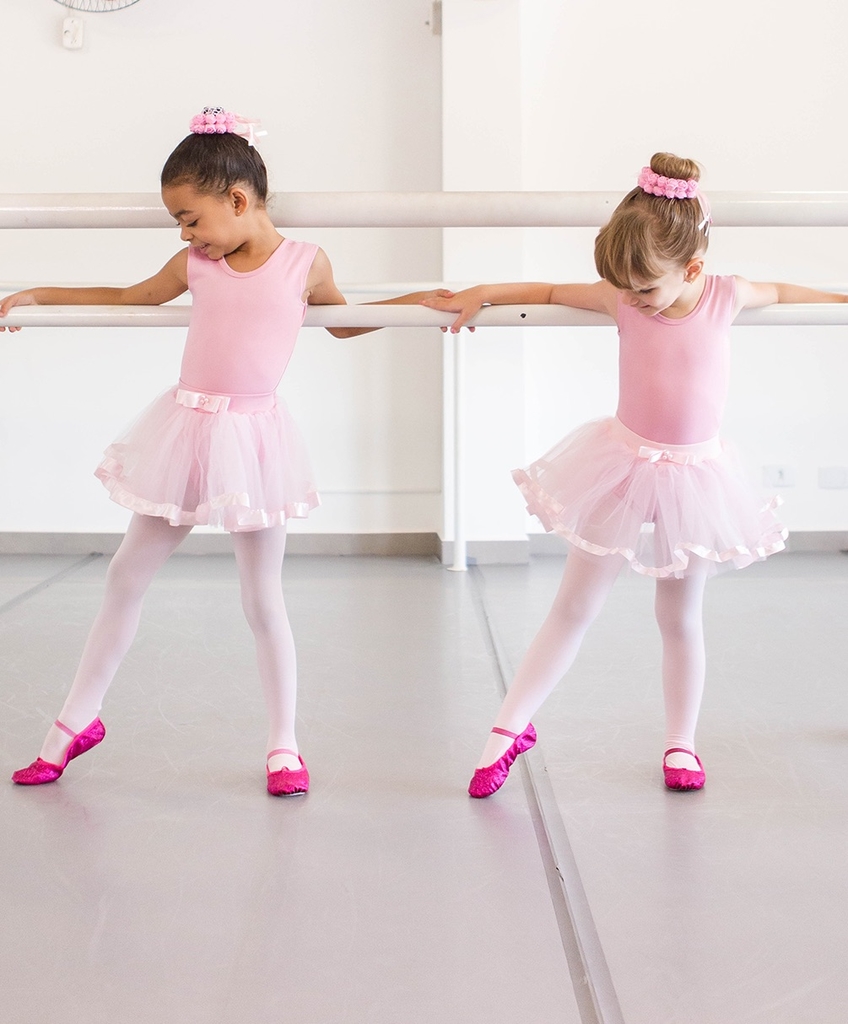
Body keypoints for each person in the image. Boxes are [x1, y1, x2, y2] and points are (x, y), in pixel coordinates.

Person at [1, 106, 442, 795]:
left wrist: (425, 305)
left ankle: (284, 746)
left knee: (262, 596)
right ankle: (70, 727)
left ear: (237, 200)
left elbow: (346, 324)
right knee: (125, 575)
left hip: (254, 442)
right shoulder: (194, 265)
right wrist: (37, 295)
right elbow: (131, 297)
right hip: (184, 432)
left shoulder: (305, 262)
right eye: (178, 223)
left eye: (190, 218)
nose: (185, 234)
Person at [423, 152, 847, 797]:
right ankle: (508, 731)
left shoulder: (725, 296)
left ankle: (682, 742)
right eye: (624, 289)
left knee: (679, 617)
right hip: (620, 466)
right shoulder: (625, 296)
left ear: (693, 269)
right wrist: (485, 293)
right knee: (574, 606)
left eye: (646, 288)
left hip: (696, 480)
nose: (633, 300)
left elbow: (787, 293)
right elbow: (547, 292)